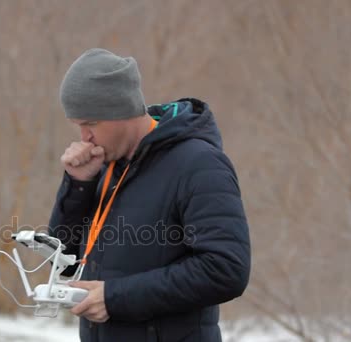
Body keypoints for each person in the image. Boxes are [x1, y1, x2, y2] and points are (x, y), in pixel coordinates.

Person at [48, 48, 251, 342]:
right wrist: (79, 185)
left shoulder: (199, 164)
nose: (84, 137)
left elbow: (226, 269)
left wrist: (115, 298)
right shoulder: (105, 166)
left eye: (90, 123)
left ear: (121, 112)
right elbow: (63, 261)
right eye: (78, 125)